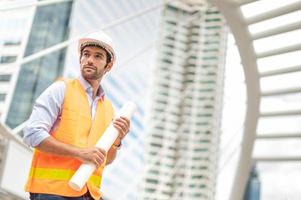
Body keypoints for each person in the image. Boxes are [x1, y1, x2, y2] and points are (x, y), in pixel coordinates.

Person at [23, 31, 130, 200]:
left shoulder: (108, 109)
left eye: (98, 56)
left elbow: (105, 160)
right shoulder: (61, 89)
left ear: (108, 66)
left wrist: (117, 142)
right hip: (52, 191)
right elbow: (32, 134)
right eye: (86, 54)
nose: (89, 60)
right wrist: (79, 153)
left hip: (88, 193)